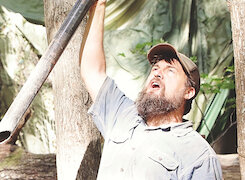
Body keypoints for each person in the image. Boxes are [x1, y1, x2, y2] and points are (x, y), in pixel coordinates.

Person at [80, 0, 223, 179]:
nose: (157, 73)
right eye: (155, 69)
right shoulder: (123, 114)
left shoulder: (198, 155)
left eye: (170, 71)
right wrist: (98, 6)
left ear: (189, 92)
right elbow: (92, 71)